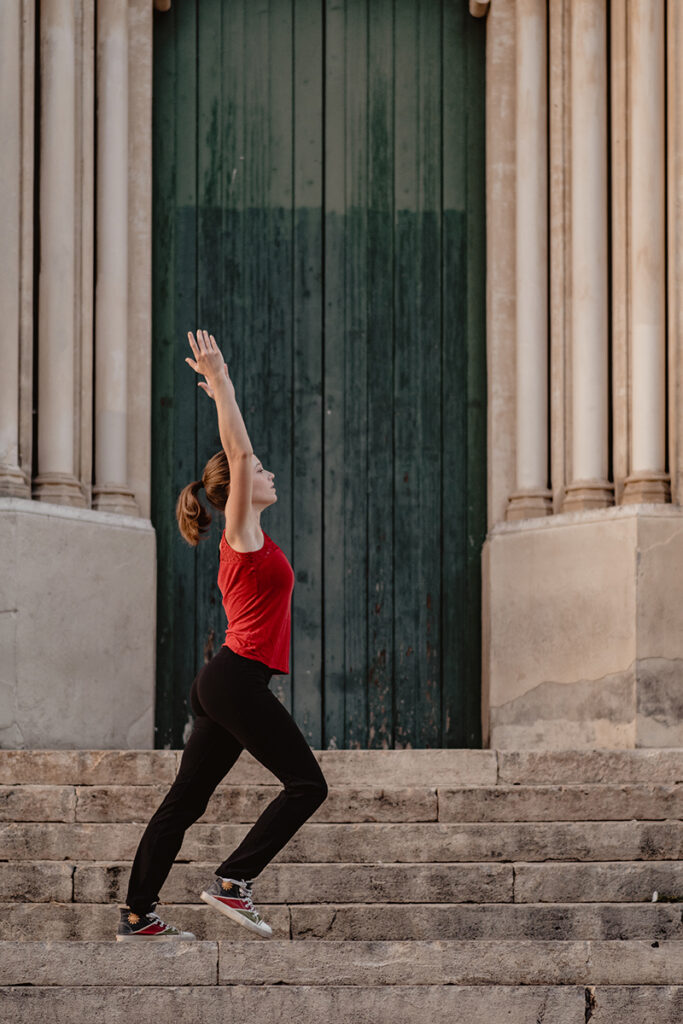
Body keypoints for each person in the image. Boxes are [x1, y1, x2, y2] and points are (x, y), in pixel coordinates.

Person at [116, 329, 329, 941]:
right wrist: (223, 384)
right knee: (307, 785)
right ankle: (236, 882)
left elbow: (241, 460)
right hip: (234, 679)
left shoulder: (253, 538)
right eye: (260, 468)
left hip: (224, 681)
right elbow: (236, 455)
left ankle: (138, 911)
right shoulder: (240, 532)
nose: (266, 469)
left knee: (186, 802)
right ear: (237, 489)